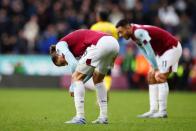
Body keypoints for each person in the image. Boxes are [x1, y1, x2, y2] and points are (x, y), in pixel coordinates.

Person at [50, 29, 119, 124]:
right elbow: (89, 72)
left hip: (100, 44)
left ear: (58, 54)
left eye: (62, 63)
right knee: (98, 79)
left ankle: (80, 117)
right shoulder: (77, 52)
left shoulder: (59, 46)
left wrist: (72, 86)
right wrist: (77, 82)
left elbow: (74, 65)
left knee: (76, 77)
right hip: (114, 44)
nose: (66, 63)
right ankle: (103, 117)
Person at [116, 19, 182, 118]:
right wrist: (152, 65)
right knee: (151, 76)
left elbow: (150, 51)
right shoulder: (133, 34)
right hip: (161, 52)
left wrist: (155, 68)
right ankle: (153, 110)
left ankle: (162, 111)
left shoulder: (138, 32)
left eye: (121, 32)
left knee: (160, 76)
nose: (120, 35)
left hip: (171, 48)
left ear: (128, 28)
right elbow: (144, 51)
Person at [90, 10, 118, 93]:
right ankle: (107, 88)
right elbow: (116, 39)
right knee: (108, 71)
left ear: (99, 17)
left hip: (98, 51)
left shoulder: (94, 27)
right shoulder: (112, 27)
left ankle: (100, 90)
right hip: (110, 50)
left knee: (97, 71)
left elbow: (91, 40)